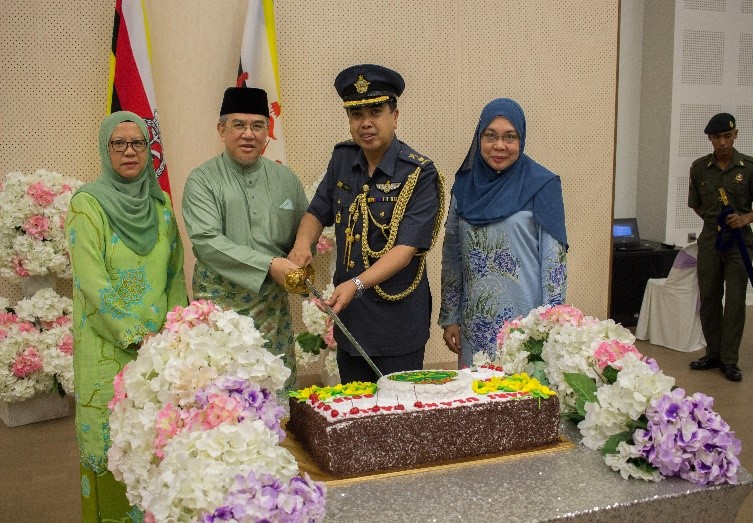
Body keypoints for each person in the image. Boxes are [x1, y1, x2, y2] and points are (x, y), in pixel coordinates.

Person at [65, 111, 187, 521]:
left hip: (157, 353)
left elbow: (174, 275)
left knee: (155, 447)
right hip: (107, 348)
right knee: (113, 447)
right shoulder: (87, 204)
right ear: (106, 150)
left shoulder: (161, 205)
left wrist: (175, 332)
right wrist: (135, 335)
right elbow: (91, 281)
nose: (130, 152)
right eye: (119, 143)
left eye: (138, 143)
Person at [289, 64, 444, 384]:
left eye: (375, 112)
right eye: (356, 114)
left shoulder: (419, 173)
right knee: (354, 405)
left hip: (397, 321)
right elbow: (317, 210)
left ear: (394, 116)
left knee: (398, 409)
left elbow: (405, 249)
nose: (366, 123)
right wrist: (302, 245)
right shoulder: (343, 159)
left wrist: (357, 284)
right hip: (351, 319)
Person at [182, 87, 307, 392]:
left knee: (275, 393)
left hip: (272, 309)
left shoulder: (286, 179)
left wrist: (301, 253)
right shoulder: (202, 180)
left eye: (257, 126)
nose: (248, 134)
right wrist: (270, 265)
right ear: (221, 130)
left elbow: (304, 230)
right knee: (223, 399)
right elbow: (206, 242)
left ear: (267, 131)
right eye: (238, 125)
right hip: (220, 310)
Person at [439, 98, 568, 368]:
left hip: (526, 329)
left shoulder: (542, 185)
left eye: (510, 137)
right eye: (490, 136)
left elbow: (553, 265)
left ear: (521, 140)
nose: (499, 145)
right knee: (475, 391)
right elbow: (452, 256)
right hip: (475, 329)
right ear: (479, 139)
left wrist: (550, 326)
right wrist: (450, 316)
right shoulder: (464, 186)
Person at [688, 112, 753, 382]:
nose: (723, 142)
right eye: (717, 137)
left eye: (727, 136)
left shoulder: (748, 167)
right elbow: (696, 204)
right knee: (709, 299)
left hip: (740, 244)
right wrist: (715, 221)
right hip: (710, 242)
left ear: (736, 135)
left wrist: (745, 218)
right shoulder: (699, 168)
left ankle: (730, 360)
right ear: (710, 139)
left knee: (735, 302)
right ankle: (713, 353)